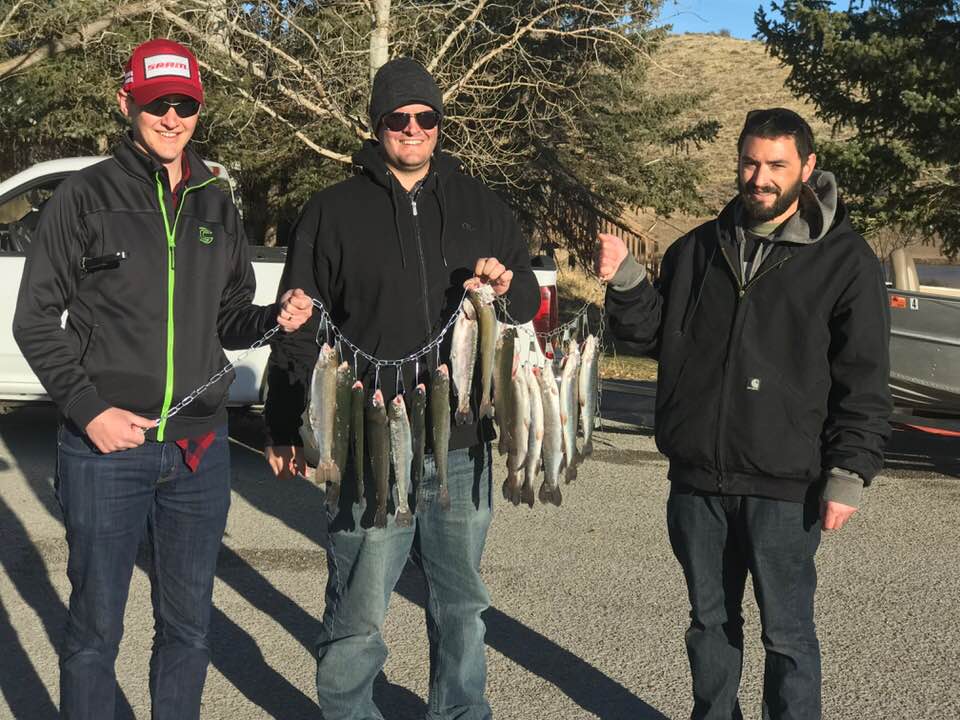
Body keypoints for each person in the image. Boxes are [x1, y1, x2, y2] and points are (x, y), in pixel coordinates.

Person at [12, 38, 313, 720]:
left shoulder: (215, 200)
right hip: (104, 451)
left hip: (198, 452)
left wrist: (274, 318)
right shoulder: (84, 197)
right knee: (95, 632)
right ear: (128, 103)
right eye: (157, 104)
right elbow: (33, 321)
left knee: (188, 628)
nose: (171, 118)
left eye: (185, 105)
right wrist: (89, 411)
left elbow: (230, 315)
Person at [264, 57, 539, 719]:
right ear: (376, 125)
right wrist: (283, 420)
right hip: (366, 437)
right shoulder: (332, 212)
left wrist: (507, 287)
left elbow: (526, 302)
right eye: (398, 118)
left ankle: (461, 712)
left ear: (440, 123)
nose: (413, 129)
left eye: (426, 117)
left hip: (463, 440)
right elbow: (298, 321)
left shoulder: (480, 204)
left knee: (463, 607)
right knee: (359, 607)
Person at [597, 108, 891, 719]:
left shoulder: (847, 261)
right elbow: (650, 336)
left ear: (808, 169)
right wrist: (626, 280)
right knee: (708, 625)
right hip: (698, 477)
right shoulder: (698, 248)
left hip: (787, 484)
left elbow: (863, 376)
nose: (760, 177)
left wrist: (848, 471)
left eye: (776, 165)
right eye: (750, 162)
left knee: (786, 636)